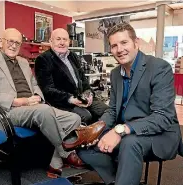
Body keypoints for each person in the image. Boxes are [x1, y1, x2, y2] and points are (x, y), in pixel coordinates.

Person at [77, 22, 182, 185]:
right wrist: (96, 129)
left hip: (161, 134)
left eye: (124, 42)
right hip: (128, 132)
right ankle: (120, 180)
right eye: (114, 45)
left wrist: (120, 131)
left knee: (129, 143)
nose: (119, 49)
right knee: (85, 146)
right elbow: (112, 110)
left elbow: (162, 117)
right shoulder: (115, 74)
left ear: (136, 42)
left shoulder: (159, 68)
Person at [0, 28, 85, 178]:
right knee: (44, 111)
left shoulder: (23, 62)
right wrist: (16, 101)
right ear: (1, 42)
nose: (14, 46)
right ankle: (66, 152)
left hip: (32, 106)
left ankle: (55, 165)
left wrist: (37, 96)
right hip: (8, 110)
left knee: (74, 118)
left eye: (18, 43)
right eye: (10, 41)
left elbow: (35, 85)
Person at [34, 28, 108, 124]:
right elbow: (48, 89)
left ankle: (102, 135)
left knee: (107, 111)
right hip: (63, 102)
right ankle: (87, 138)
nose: (62, 42)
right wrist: (71, 99)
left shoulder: (73, 56)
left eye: (65, 39)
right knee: (86, 116)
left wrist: (89, 93)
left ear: (69, 41)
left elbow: (83, 79)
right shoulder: (43, 59)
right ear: (50, 41)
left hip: (81, 98)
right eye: (58, 39)